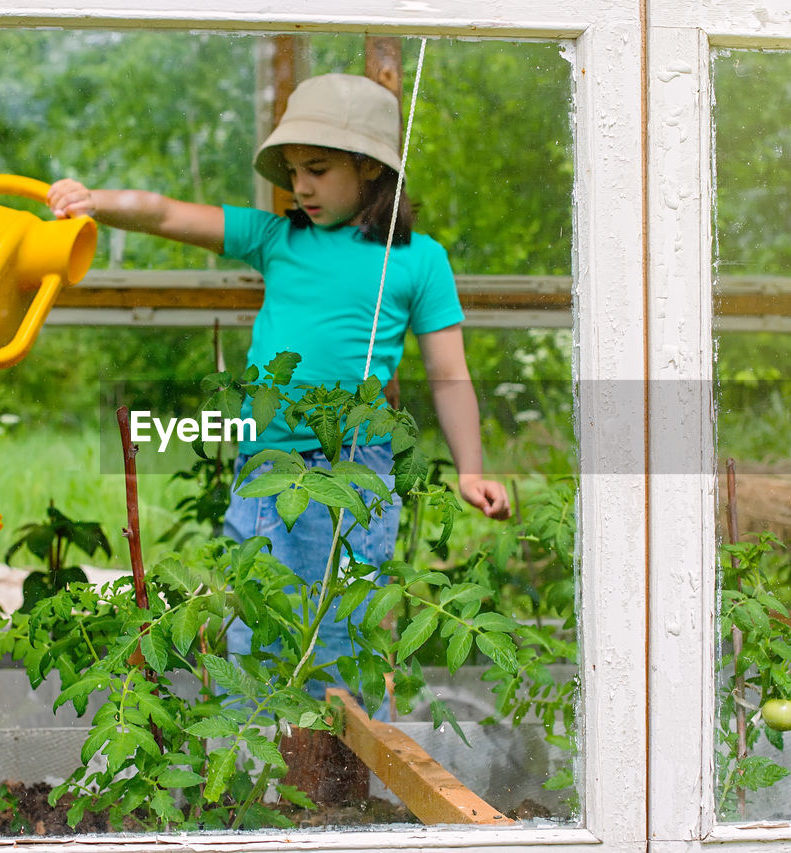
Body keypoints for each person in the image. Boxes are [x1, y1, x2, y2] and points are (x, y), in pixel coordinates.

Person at [48, 73, 510, 703]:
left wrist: (471, 469)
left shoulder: (418, 260)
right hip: (264, 465)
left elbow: (450, 375)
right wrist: (93, 199)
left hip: (352, 469)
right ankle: (260, 776)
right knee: (254, 623)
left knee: (340, 638)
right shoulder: (277, 238)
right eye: (293, 171)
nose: (300, 187)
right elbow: (164, 212)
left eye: (317, 169)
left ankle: (339, 790)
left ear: (371, 168)